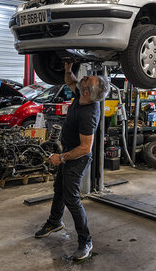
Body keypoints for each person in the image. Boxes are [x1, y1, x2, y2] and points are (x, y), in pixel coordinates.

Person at [35, 62, 109, 261]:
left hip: (78, 158)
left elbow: (86, 148)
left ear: (87, 93)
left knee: (72, 199)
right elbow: (71, 82)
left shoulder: (89, 114)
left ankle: (86, 241)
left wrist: (62, 157)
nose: (82, 78)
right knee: (59, 189)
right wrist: (67, 69)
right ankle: (54, 222)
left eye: (85, 80)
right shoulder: (82, 95)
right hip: (69, 151)